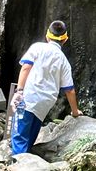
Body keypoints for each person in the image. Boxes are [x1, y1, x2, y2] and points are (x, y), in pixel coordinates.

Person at [10, 20, 83, 155]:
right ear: (65, 39)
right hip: (44, 104)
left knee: (19, 137)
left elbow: (26, 67)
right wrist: (75, 112)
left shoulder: (37, 47)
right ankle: (26, 161)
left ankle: (18, 164)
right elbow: (70, 90)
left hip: (28, 98)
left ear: (47, 36)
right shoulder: (64, 61)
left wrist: (19, 91)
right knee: (29, 138)